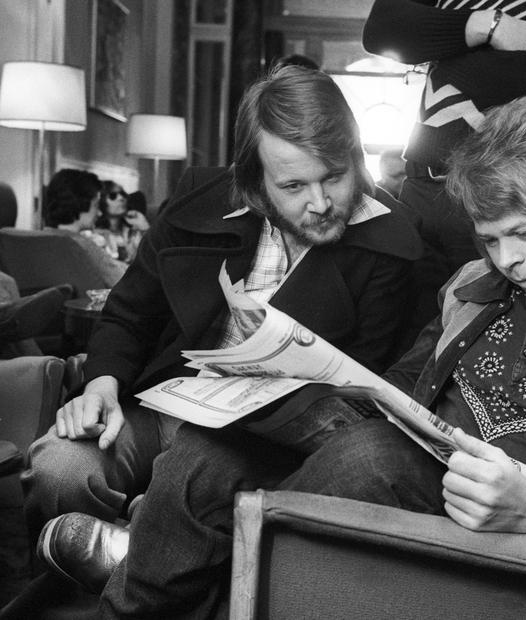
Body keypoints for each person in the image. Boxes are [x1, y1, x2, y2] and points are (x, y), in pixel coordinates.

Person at [34, 95, 526, 618]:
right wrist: (295, 379)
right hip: (406, 455)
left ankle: (153, 560)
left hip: (492, 515)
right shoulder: (473, 286)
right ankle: (135, 595)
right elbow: (400, 385)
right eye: (490, 240)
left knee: (369, 459)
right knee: (206, 453)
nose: (507, 259)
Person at [22, 64, 421, 581]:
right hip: (163, 404)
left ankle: (129, 556)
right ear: (255, 180)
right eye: (294, 185)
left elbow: (368, 395)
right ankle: (135, 553)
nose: (320, 204)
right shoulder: (201, 200)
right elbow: (131, 310)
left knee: (191, 485)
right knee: (59, 469)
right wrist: (101, 385)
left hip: (258, 444)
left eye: (335, 177)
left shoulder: (393, 246)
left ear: (355, 158)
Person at [362, 0, 526, 341]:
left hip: (497, 195)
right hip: (420, 183)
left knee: (490, 338)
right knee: (405, 337)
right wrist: (486, 25)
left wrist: (445, 38)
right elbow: (383, 31)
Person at [42, 169, 128, 288]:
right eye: (96, 205)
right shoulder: (83, 246)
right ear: (80, 203)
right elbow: (125, 285)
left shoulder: (37, 240)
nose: (99, 213)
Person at [94, 181, 151, 263]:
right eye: (113, 196)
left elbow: (152, 257)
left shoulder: (134, 231)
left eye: (123, 194)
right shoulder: (95, 234)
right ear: (101, 201)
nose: (121, 198)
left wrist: (145, 227)